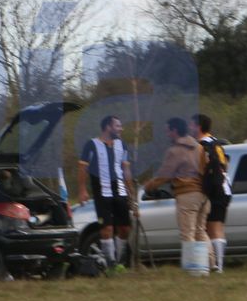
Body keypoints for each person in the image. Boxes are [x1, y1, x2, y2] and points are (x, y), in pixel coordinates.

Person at [78, 115, 135, 269]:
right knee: (107, 228)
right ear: (108, 127)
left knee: (125, 228)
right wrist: (82, 189)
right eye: (118, 126)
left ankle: (118, 258)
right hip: (101, 192)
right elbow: (82, 167)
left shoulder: (122, 145)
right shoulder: (91, 144)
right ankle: (110, 264)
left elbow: (126, 169)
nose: (121, 129)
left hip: (120, 191)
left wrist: (131, 193)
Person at [147, 118, 208, 254]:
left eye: (167, 131)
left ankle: (194, 268)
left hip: (187, 194)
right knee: (200, 231)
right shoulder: (199, 147)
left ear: (174, 131)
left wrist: (148, 187)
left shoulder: (176, 150)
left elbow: (164, 175)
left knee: (187, 233)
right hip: (203, 194)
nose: (166, 134)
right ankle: (209, 264)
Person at [193, 114, 231, 273]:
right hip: (225, 187)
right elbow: (225, 165)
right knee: (218, 228)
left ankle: (215, 266)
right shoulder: (216, 142)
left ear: (198, 126)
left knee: (210, 228)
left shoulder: (203, 145)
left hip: (214, 189)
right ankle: (217, 264)